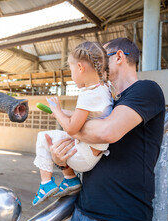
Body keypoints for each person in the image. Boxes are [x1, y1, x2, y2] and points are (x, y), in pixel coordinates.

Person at [48, 38, 165, 221]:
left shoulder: (146, 90)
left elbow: (107, 132)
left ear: (119, 56)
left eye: (101, 57)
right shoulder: (106, 99)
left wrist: (70, 125)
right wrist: (61, 162)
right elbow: (90, 141)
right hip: (84, 211)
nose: (96, 62)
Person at [32, 41, 117, 207]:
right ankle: (70, 179)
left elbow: (71, 128)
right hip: (91, 152)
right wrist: (62, 112)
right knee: (52, 138)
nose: (71, 75)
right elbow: (83, 116)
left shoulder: (88, 94)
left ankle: (46, 183)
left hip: (83, 156)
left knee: (43, 136)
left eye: (71, 70)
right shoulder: (104, 88)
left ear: (80, 67)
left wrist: (56, 110)